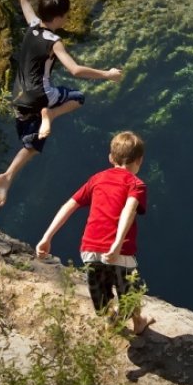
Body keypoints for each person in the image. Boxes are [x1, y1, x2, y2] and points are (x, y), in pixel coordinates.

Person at [0, 0, 123, 207]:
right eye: (65, 17)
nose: (66, 20)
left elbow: (23, 0)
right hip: (42, 95)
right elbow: (74, 70)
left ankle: (7, 176)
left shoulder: (32, 26)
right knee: (78, 98)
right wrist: (107, 74)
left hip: (19, 96)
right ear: (57, 17)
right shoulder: (54, 41)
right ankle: (49, 115)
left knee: (31, 142)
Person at [36, 131, 155, 335]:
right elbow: (129, 209)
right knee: (130, 289)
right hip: (120, 252)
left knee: (101, 293)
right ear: (140, 160)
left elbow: (69, 205)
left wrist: (46, 237)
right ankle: (137, 322)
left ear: (111, 158)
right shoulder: (137, 184)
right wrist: (117, 243)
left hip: (89, 249)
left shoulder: (97, 179)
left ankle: (111, 319)